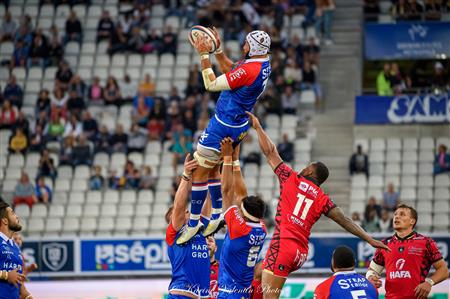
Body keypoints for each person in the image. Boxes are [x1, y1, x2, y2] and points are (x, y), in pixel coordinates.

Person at [246, 112, 389, 299]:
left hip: (283, 246)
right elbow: (345, 220)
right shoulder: (323, 199)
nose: (304, 167)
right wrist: (369, 239)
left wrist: (258, 127)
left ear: (310, 171)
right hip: (300, 254)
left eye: (308, 166)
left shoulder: (291, 178)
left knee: (270, 296)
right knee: (257, 273)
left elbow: (270, 152)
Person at [177, 28, 272, 244]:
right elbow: (231, 68)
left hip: (223, 124)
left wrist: (204, 55)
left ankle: (193, 223)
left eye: (246, 44)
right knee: (212, 170)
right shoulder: (262, 64)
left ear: (253, 48)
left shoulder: (251, 70)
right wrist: (218, 49)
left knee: (198, 172)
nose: (243, 47)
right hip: (238, 125)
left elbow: (211, 84)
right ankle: (218, 213)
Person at [218, 138, 267, 298]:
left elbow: (226, 192)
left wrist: (226, 158)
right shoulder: (261, 228)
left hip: (229, 293)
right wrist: (235, 161)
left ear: (243, 213)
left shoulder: (239, 228)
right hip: (243, 292)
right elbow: (241, 195)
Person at [366, 204, 449, 299]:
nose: (397, 216)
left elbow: (444, 270)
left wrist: (429, 282)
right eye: (395, 214)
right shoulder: (384, 244)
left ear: (412, 221)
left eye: (402, 214)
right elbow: (372, 270)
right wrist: (371, 277)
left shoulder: (426, 242)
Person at [165, 154, 210, 298]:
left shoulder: (199, 227)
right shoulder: (174, 232)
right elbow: (179, 205)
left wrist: (212, 172)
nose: (187, 211)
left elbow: (209, 199)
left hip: (201, 294)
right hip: (182, 293)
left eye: (188, 211)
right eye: (184, 212)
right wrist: (186, 175)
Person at [0, 201, 33, 299]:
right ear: (5, 221)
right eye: (13, 213)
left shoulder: (15, 247)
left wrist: (28, 296)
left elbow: (20, 288)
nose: (17, 216)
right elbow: (10, 276)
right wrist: (6, 275)